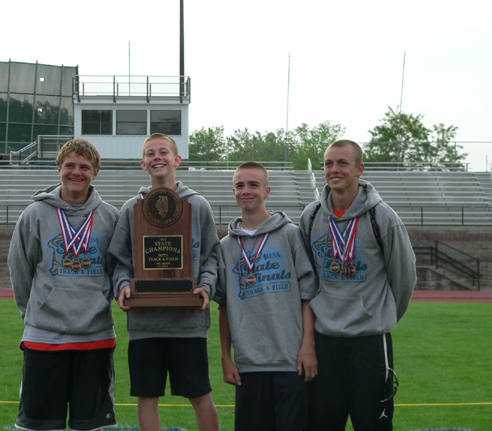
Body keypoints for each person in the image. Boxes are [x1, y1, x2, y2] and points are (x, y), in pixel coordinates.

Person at [299, 139, 416, 431]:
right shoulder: (311, 216)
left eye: (342, 163)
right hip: (324, 343)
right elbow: (306, 281)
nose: (333, 169)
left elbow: (404, 278)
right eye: (328, 163)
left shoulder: (382, 217)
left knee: (372, 425)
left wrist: (379, 316)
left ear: (360, 169)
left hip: (369, 343)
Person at [107, 133, 220, 431]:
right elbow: (120, 259)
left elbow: (211, 257)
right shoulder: (132, 207)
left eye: (164, 152)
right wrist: (123, 285)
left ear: (177, 160)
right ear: (143, 164)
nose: (157, 157)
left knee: (200, 394)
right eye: (151, 153)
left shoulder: (198, 205)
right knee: (147, 395)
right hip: (145, 323)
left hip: (188, 323)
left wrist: (205, 287)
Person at [8, 138, 119, 431]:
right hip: (45, 336)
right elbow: (20, 270)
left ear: (95, 173)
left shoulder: (110, 217)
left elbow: (118, 269)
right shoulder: (35, 215)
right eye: (70, 165)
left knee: (92, 426)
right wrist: (34, 312)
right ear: (59, 168)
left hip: (95, 334)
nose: (76, 172)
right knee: (38, 425)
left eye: (85, 166)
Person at [215, 161, 317, 431]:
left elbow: (308, 295)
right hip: (249, 364)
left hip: (292, 360)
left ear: (267, 191)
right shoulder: (225, 246)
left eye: (253, 185)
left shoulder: (290, 235)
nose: (245, 190)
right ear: (233, 191)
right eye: (239, 185)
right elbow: (224, 305)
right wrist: (226, 356)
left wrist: (308, 345)